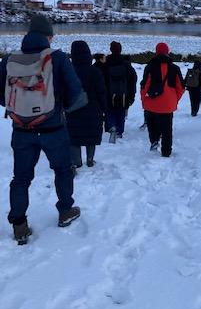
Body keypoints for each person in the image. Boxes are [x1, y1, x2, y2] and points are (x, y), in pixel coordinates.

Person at [0, 15, 87, 244]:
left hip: (21, 129)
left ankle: (19, 224)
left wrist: (21, 109)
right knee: (63, 170)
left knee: (20, 179)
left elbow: (2, 96)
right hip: (54, 129)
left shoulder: (9, 60)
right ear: (48, 36)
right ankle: (65, 211)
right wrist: (57, 108)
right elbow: (76, 92)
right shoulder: (57, 58)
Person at [66, 41, 107, 169]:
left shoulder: (68, 71)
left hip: (73, 109)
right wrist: (104, 109)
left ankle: (77, 162)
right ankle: (90, 160)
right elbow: (102, 92)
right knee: (91, 135)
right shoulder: (95, 72)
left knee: (74, 137)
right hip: (93, 109)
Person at [140, 42, 184, 156]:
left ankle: (154, 141)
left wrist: (144, 101)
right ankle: (166, 152)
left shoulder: (149, 67)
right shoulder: (175, 68)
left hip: (151, 104)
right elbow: (181, 87)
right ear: (167, 52)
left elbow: (145, 86)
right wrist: (174, 100)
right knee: (167, 130)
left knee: (152, 126)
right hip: (168, 105)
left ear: (156, 52)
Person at [103, 41, 137, 140]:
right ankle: (119, 131)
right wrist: (132, 96)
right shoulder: (126, 64)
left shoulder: (106, 63)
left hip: (109, 94)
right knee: (121, 112)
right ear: (120, 50)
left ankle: (112, 127)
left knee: (110, 111)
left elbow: (101, 78)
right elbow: (133, 80)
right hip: (124, 94)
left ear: (111, 50)